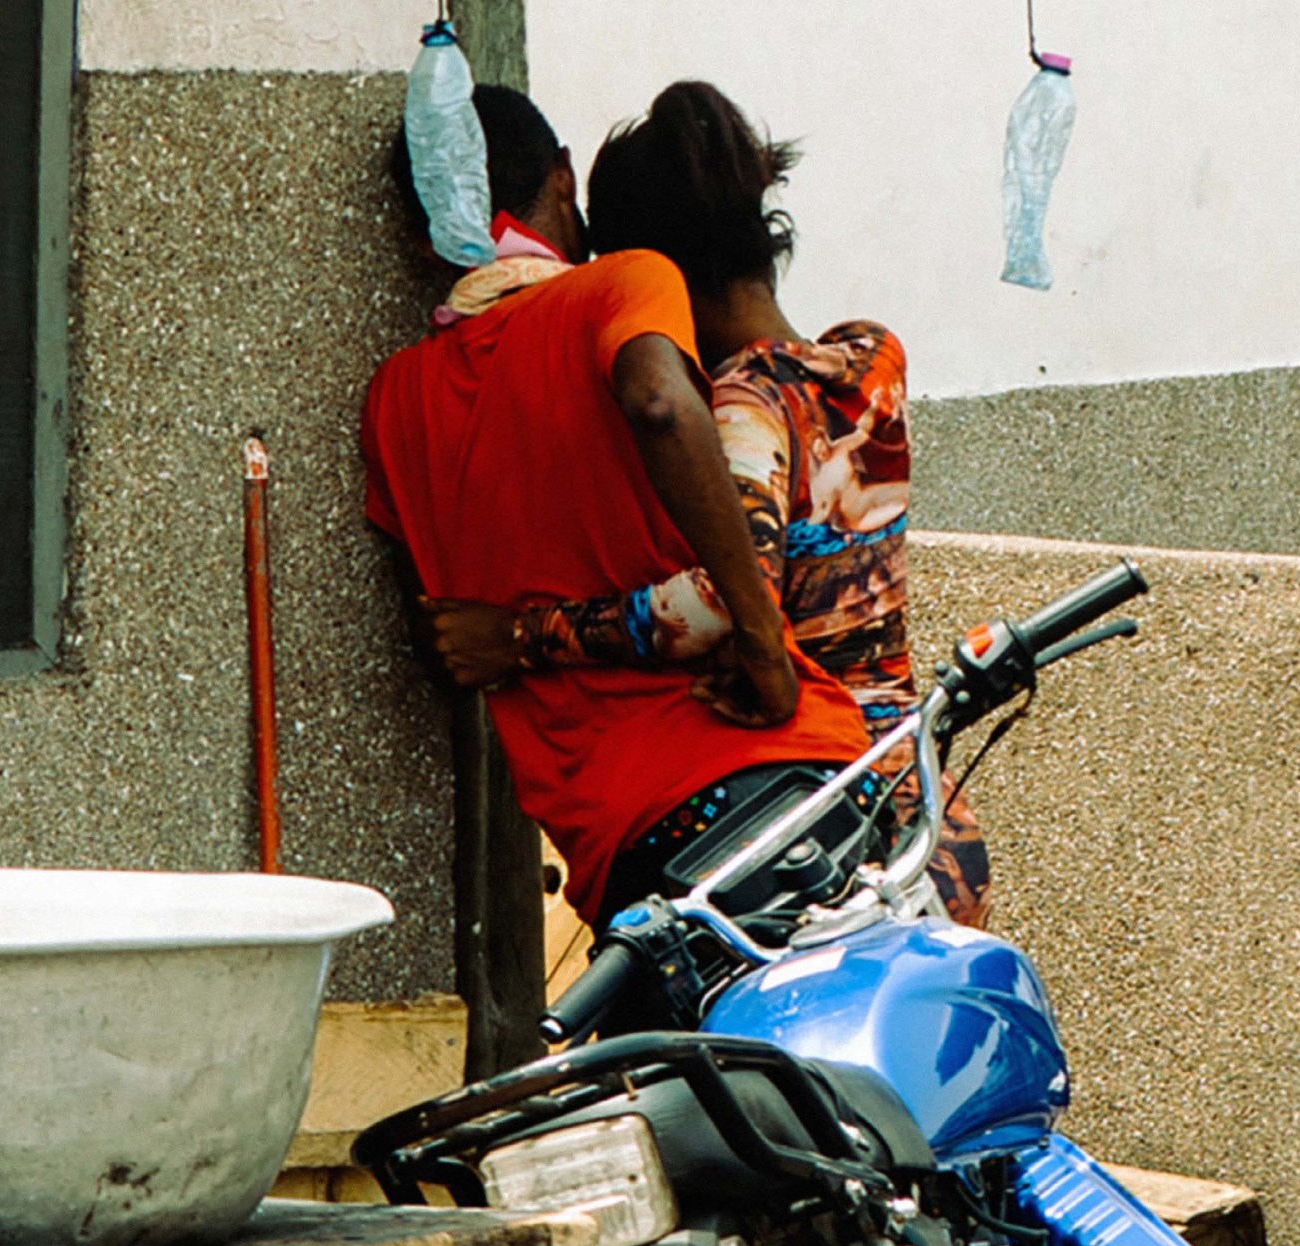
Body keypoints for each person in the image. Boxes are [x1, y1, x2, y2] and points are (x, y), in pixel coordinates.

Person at [425, 81, 992, 928]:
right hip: (930, 806)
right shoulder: (870, 357)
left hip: (830, 820)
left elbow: (728, 601)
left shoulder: (741, 410)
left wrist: (519, 634)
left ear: (656, 274)